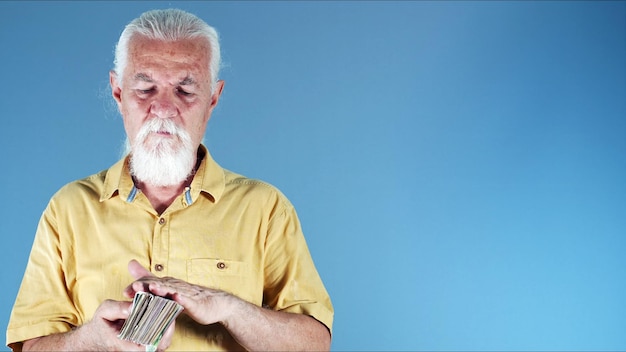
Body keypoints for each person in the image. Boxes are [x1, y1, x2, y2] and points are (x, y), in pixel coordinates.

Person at [6, 8, 333, 351]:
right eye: (145, 88)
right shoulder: (67, 210)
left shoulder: (266, 208)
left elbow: (314, 344)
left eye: (184, 91)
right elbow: (30, 346)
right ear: (118, 92)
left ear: (213, 98)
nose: (163, 108)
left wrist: (227, 306)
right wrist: (91, 341)